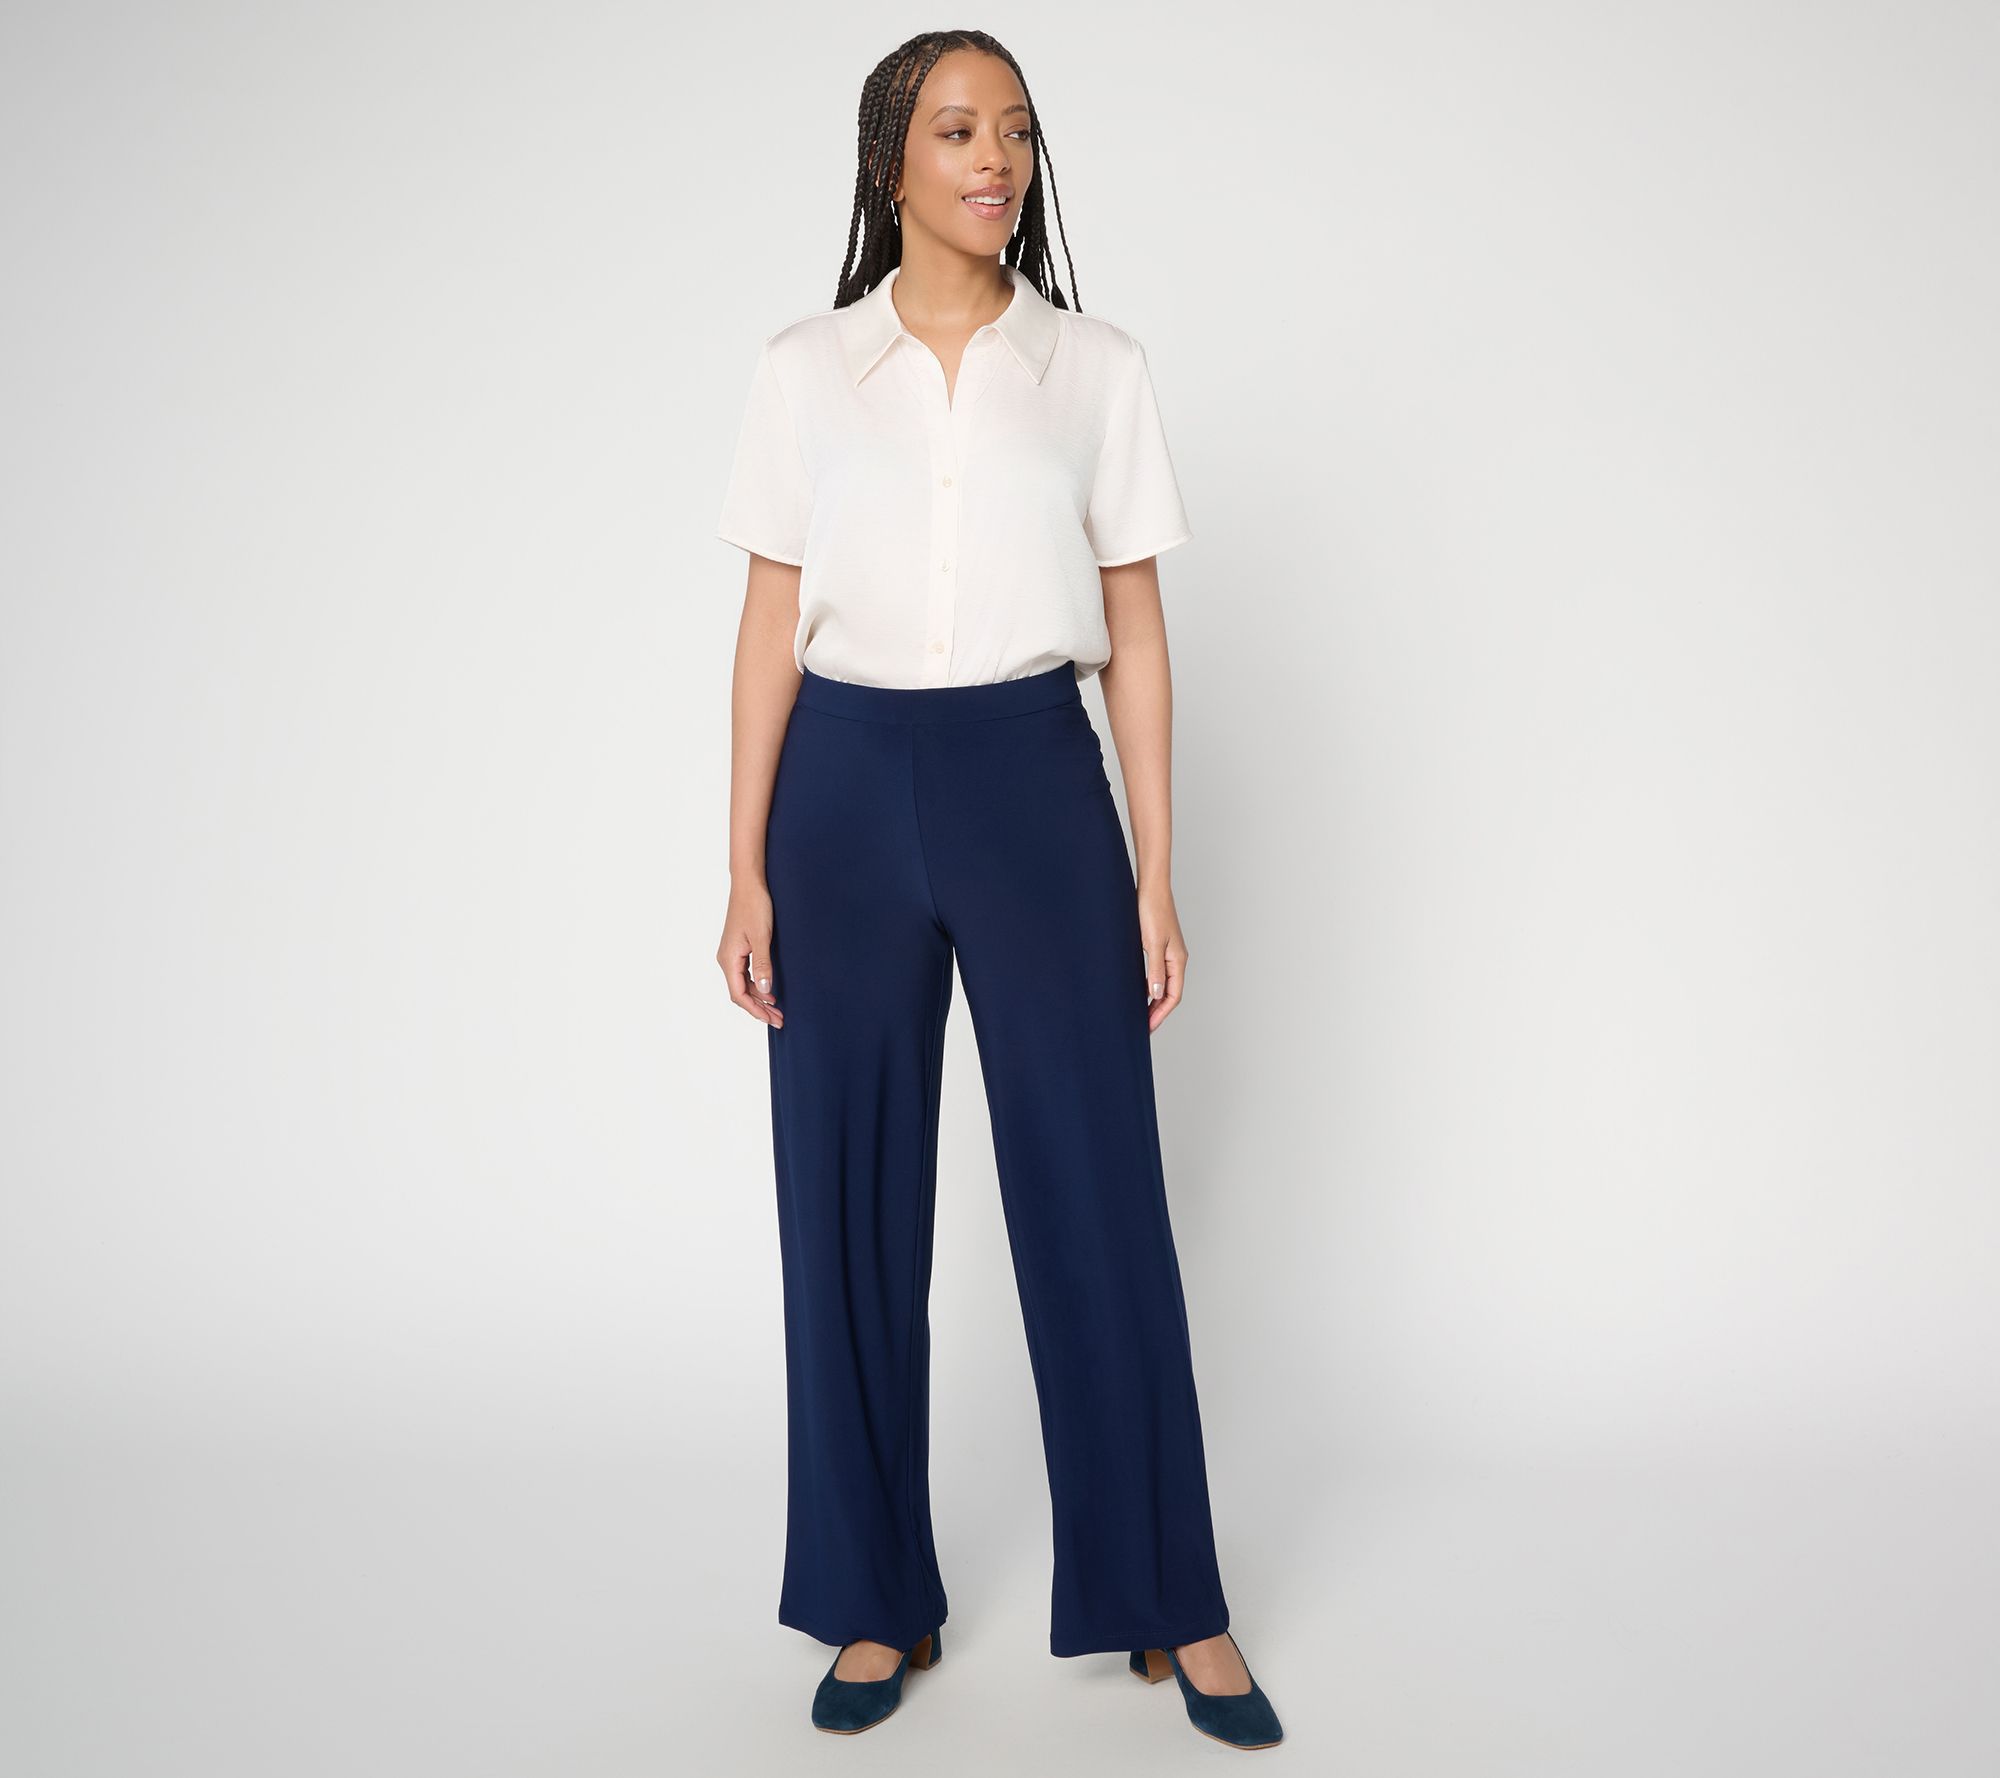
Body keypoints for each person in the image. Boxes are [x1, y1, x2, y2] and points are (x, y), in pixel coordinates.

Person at [713, 30, 1285, 1752]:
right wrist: (741, 864)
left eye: (1017, 132)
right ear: (888, 158)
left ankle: (1168, 1594)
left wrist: (1157, 873)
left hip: (1036, 782)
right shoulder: (806, 370)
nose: (995, 160)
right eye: (958, 130)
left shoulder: (1092, 368)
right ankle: (872, 1591)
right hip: (839, 792)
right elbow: (768, 622)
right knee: (844, 1199)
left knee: (1097, 1189)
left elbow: (1137, 637)